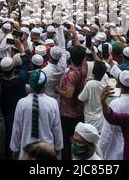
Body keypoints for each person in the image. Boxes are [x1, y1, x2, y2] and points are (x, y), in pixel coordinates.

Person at [10, 70, 63, 160]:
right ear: (45, 85)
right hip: (47, 150)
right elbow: (57, 128)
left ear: (30, 85)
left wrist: (14, 148)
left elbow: (17, 128)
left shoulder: (22, 103)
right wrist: (58, 147)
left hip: (27, 151)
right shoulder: (52, 103)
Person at [55, 32, 87, 160]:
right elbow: (80, 51)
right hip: (80, 109)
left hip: (68, 112)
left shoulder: (71, 75)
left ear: (71, 58)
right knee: (78, 138)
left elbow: (68, 95)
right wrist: (75, 35)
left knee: (67, 141)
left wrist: (58, 89)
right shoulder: (84, 66)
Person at [99, 69, 129, 160]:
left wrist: (99, 152)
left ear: (118, 84)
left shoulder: (116, 104)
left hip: (117, 149)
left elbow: (107, 132)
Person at [78, 61, 106, 132]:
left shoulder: (90, 84)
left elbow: (81, 98)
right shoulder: (105, 83)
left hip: (90, 119)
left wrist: (85, 84)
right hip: (101, 120)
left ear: (93, 72)